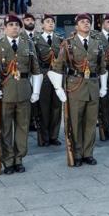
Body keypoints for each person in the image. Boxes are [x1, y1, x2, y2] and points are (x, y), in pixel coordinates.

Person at [0, 14, 42, 174]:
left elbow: (36, 70)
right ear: (4, 28)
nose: (14, 27)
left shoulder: (28, 45)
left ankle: (19, 158)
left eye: (16, 25)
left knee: (22, 127)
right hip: (5, 93)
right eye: (11, 25)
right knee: (5, 128)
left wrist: (36, 91)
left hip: (24, 91)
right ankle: (7, 160)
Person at [49, 13, 106, 165]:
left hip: (92, 86)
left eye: (88, 21)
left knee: (90, 122)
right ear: (76, 26)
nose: (86, 23)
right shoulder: (68, 44)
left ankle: (88, 153)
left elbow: (102, 68)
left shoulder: (97, 43)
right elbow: (58, 67)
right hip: (75, 86)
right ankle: (77, 153)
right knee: (75, 122)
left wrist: (103, 86)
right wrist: (58, 88)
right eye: (82, 22)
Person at [33, 14, 64, 146]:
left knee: (56, 106)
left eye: (52, 22)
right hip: (43, 73)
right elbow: (34, 60)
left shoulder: (60, 40)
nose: (50, 24)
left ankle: (54, 136)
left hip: (57, 74)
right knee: (43, 107)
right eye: (47, 21)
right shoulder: (36, 40)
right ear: (42, 25)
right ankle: (44, 137)